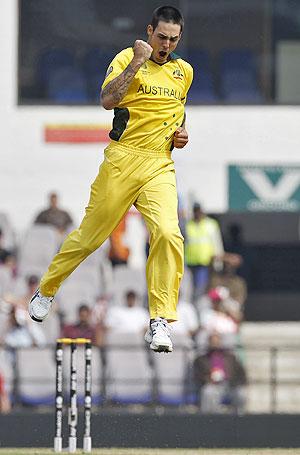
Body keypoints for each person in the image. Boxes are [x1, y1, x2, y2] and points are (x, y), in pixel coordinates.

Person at [29, 6, 193, 354]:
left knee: (168, 233)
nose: (165, 45)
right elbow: (108, 100)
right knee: (89, 238)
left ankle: (160, 319)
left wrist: (181, 135)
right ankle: (46, 289)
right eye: (161, 37)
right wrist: (137, 62)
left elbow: (176, 115)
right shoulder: (126, 59)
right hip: (122, 160)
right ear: (149, 31)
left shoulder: (184, 72)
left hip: (159, 165)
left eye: (173, 39)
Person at [193, 332, 247, 414]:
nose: (215, 344)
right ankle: (211, 418)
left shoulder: (231, 357)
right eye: (213, 342)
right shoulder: (201, 359)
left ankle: (239, 417)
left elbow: (241, 374)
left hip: (230, 385)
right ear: (209, 343)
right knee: (208, 392)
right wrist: (208, 379)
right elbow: (197, 375)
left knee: (241, 393)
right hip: (213, 385)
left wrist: (236, 383)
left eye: (217, 342)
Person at [185, 202, 224, 302]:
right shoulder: (188, 224)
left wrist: (218, 263)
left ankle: (199, 310)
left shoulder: (211, 224)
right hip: (189, 263)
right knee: (189, 289)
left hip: (205, 263)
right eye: (195, 211)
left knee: (201, 288)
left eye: (199, 210)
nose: (197, 213)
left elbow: (217, 243)